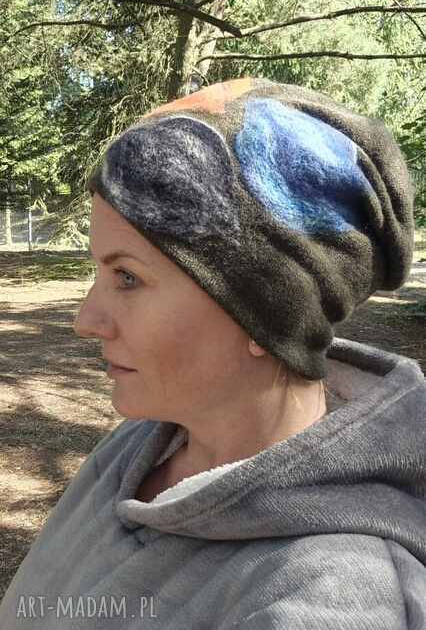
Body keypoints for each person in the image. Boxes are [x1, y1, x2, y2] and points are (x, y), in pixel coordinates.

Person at [1, 77, 425, 629]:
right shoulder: (142, 445)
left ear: (268, 312)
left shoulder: (331, 596)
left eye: (127, 277)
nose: (86, 321)